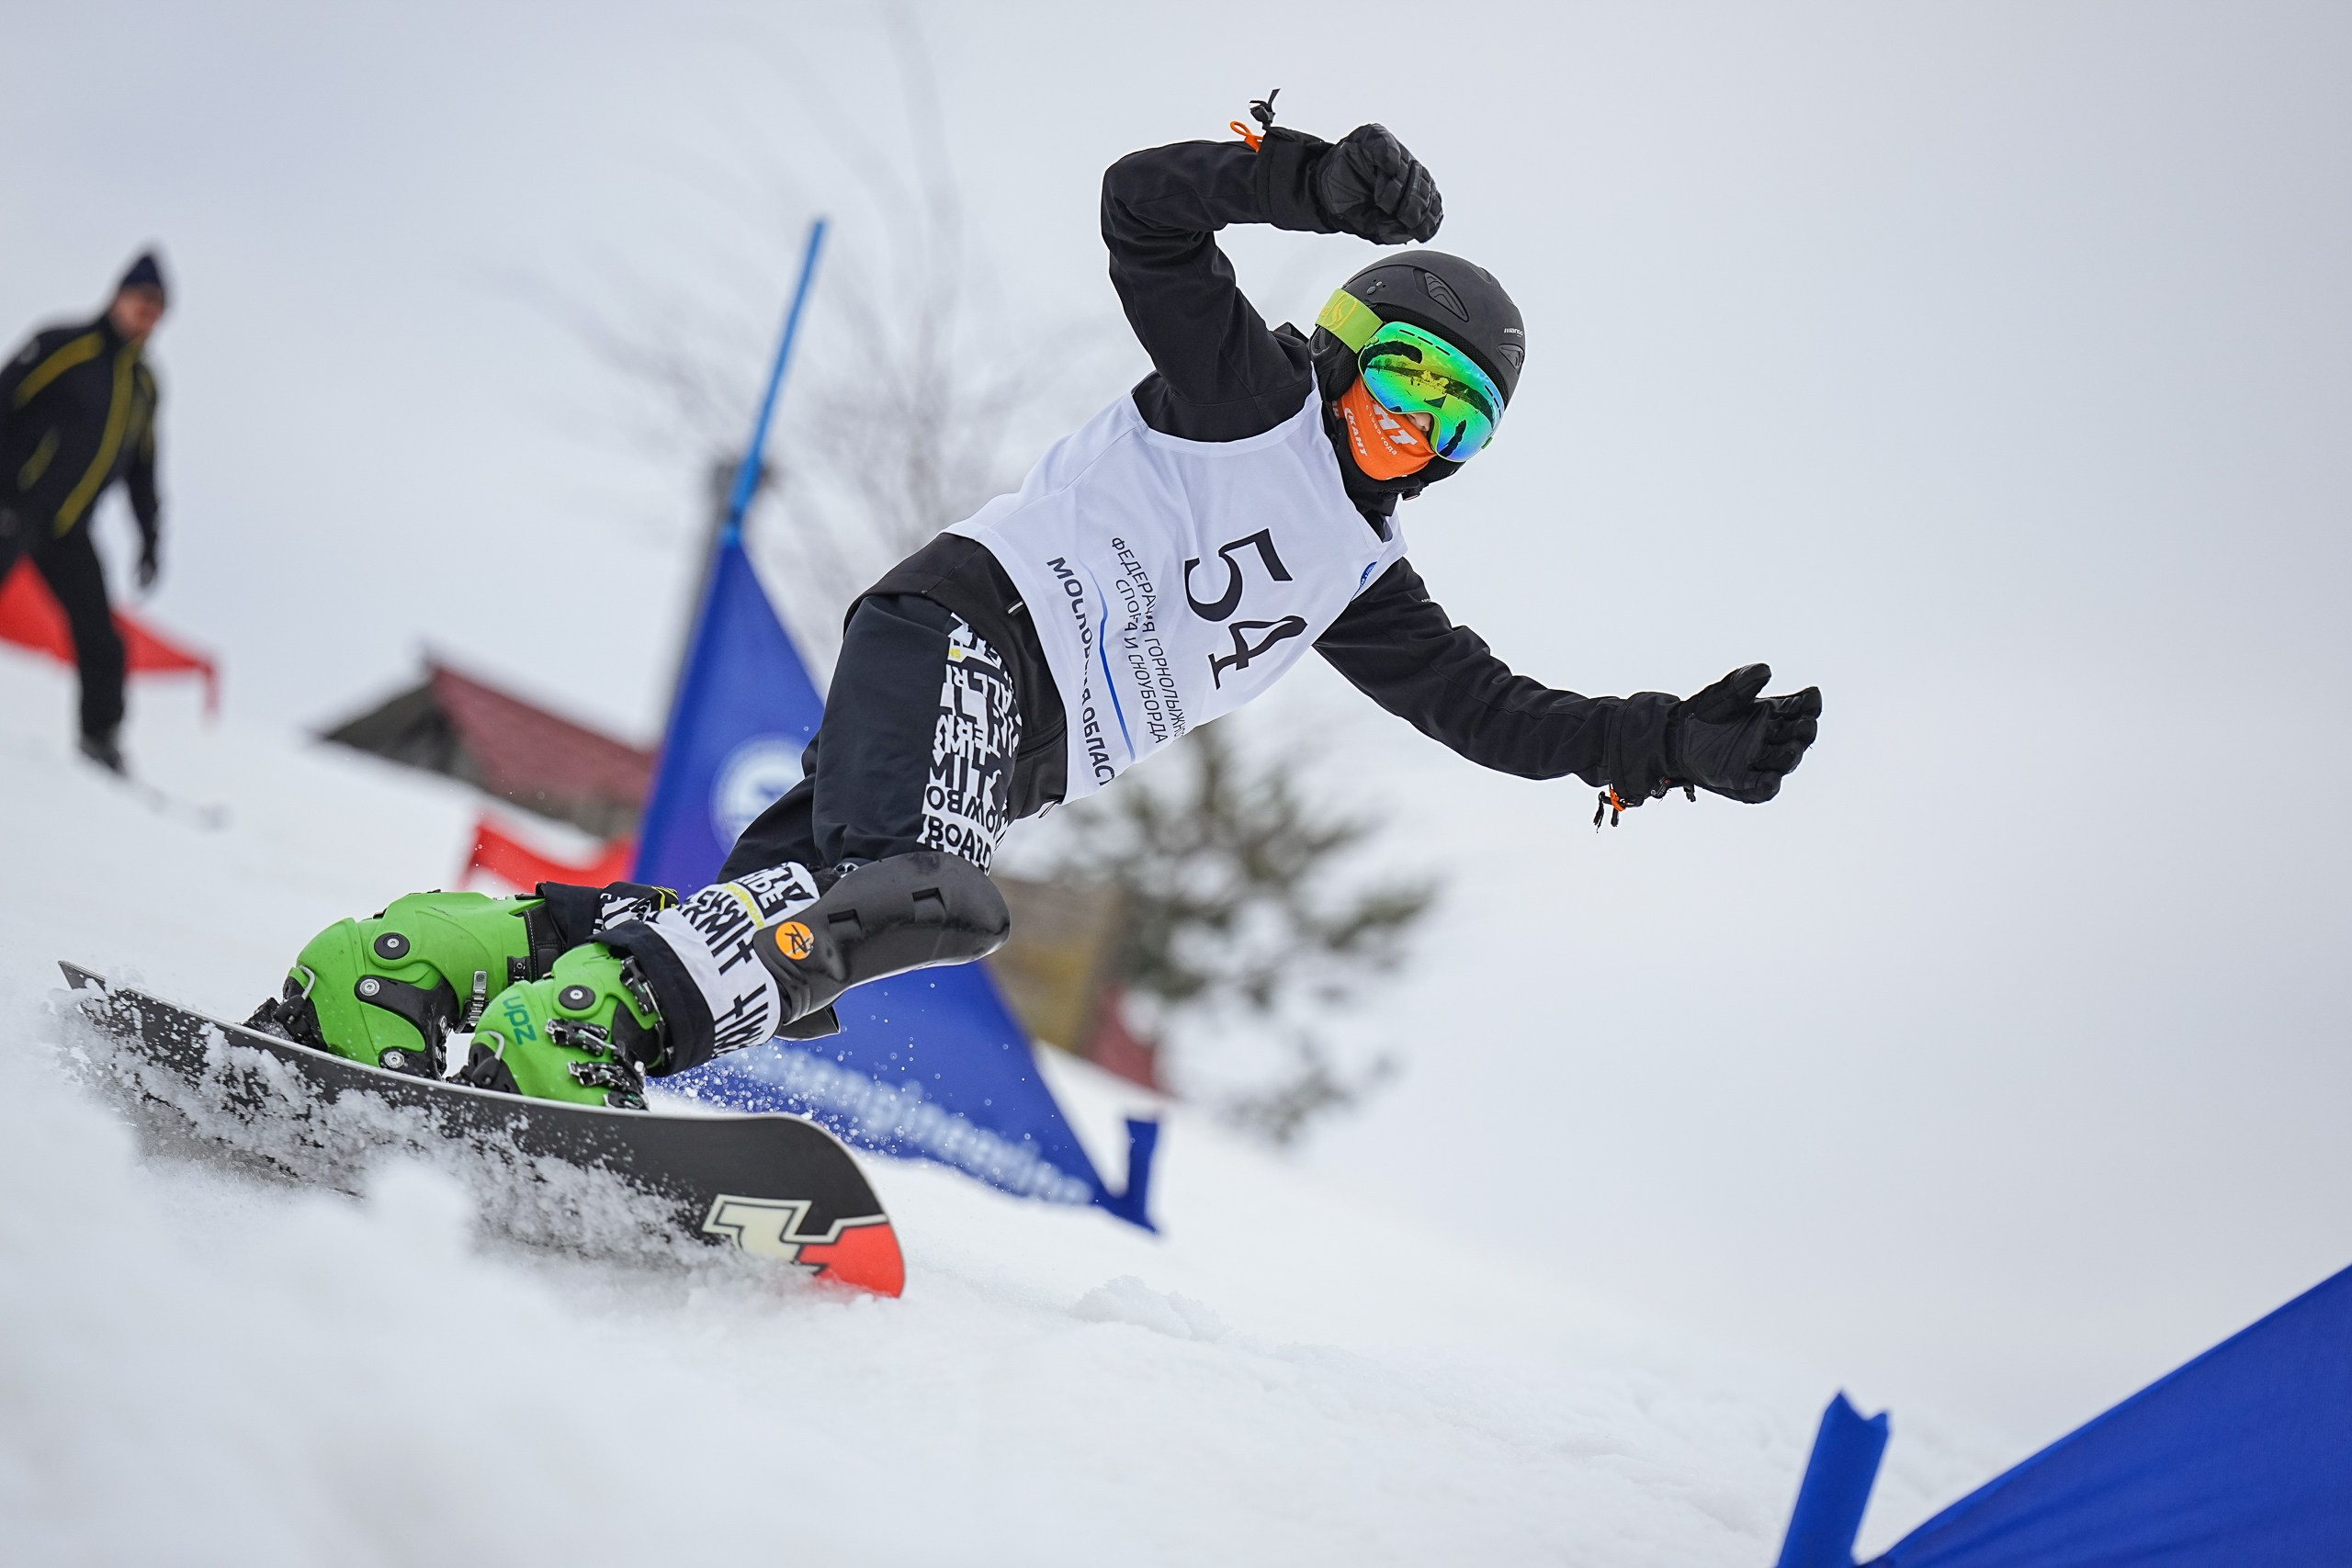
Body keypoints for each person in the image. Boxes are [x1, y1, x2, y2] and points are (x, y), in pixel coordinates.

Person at [256, 110, 1823, 1106]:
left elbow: (1488, 708)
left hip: (1006, 736)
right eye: (1408, 380)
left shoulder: (1361, 577)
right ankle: (572, 1036)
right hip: (971, 634)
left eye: (1456, 423)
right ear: (1349, 346)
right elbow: (1144, 211)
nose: (1415, 430)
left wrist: (1661, 743)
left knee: (767, 940)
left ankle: (408, 966)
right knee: (927, 900)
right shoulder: (1250, 394)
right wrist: (1299, 182)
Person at [0, 252, 170, 773]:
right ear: (118, 296)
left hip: (70, 526)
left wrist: (149, 540)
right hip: (17, 502)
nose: (146, 315)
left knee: (102, 637)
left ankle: (100, 739)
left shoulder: (144, 386)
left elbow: (143, 469)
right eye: (141, 301)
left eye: (157, 309)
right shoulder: (66, 345)